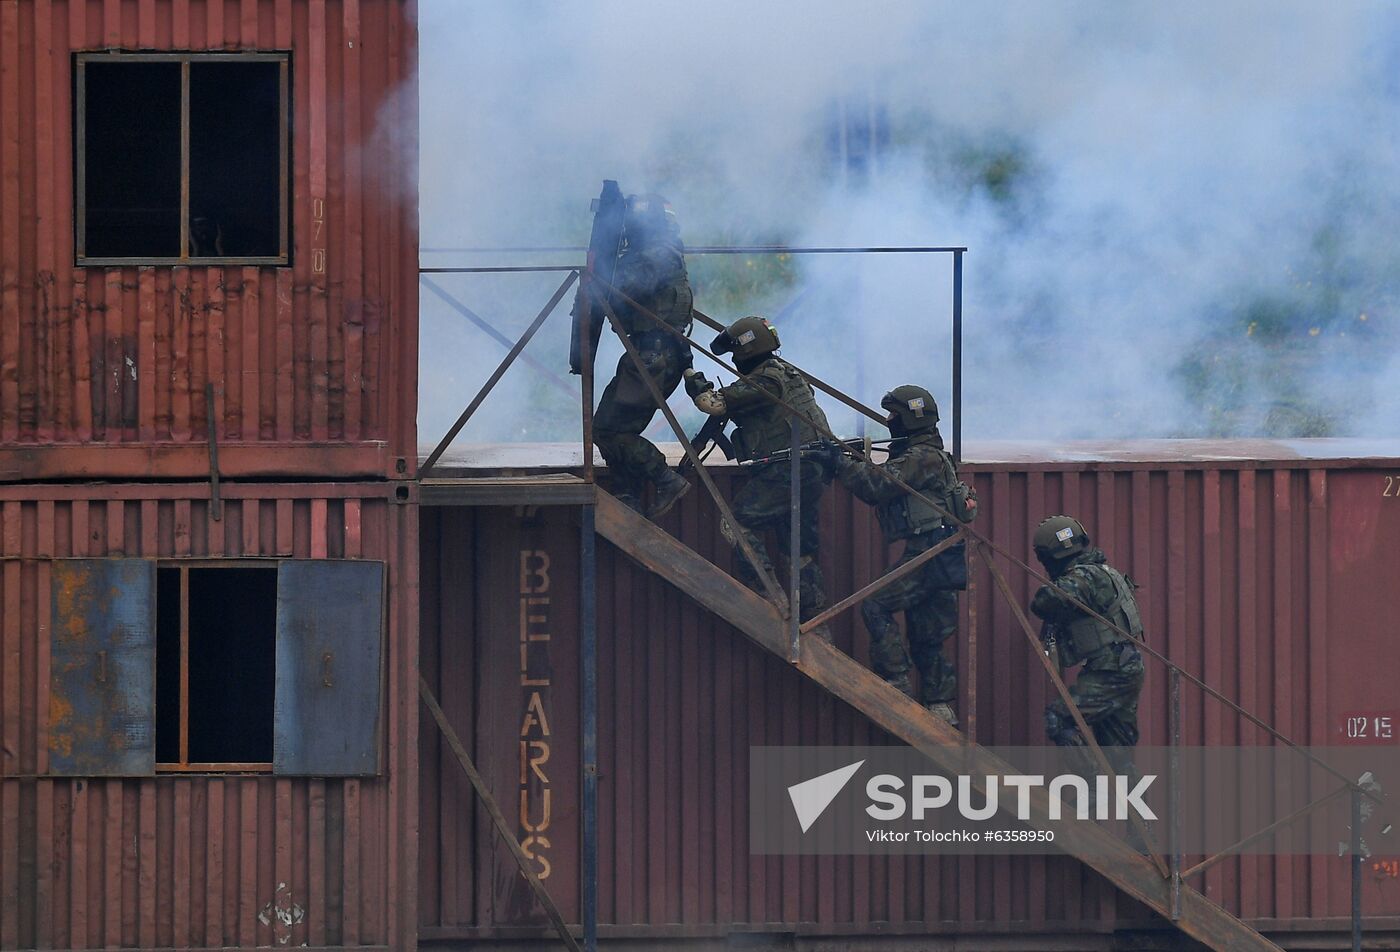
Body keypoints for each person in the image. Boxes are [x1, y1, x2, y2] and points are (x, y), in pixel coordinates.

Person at [829, 386, 976, 725]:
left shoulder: (919, 457)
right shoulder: (931, 454)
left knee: (875, 604)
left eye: (894, 416)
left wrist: (840, 463)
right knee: (928, 635)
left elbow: (875, 486)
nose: (890, 422)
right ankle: (940, 707)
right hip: (943, 550)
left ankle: (895, 680)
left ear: (908, 419)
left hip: (929, 551)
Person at [683, 316, 832, 632]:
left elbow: (712, 404)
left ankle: (769, 597)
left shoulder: (765, 380)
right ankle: (818, 626)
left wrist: (691, 377)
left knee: (734, 522)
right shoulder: (789, 375)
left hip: (788, 470)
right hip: (811, 470)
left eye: (735, 354)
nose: (735, 361)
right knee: (799, 551)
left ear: (746, 350)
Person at [592, 193, 694, 518]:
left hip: (652, 358)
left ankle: (664, 478)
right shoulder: (668, 253)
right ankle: (628, 493)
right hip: (659, 356)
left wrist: (603, 268)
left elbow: (621, 289)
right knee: (618, 426)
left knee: (607, 430)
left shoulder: (652, 257)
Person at [1030, 515, 1146, 774]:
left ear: (1051, 556)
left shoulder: (1085, 576)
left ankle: (1091, 782)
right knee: (1119, 758)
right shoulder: (1106, 572)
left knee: (1059, 717)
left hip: (1111, 670)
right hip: (1125, 667)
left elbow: (1044, 602)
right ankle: (1139, 815)